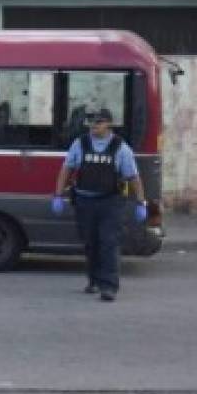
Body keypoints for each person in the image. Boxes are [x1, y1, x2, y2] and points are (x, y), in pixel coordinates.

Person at [52, 107, 148, 302]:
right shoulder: (80, 143)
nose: (93, 127)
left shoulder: (120, 147)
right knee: (90, 243)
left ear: (108, 124)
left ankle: (109, 286)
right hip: (85, 201)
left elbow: (133, 176)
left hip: (110, 202)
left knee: (109, 243)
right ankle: (94, 280)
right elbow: (66, 169)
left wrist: (141, 202)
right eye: (91, 123)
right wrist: (57, 195)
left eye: (98, 123)